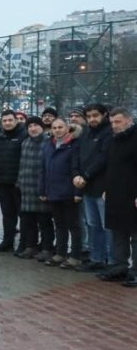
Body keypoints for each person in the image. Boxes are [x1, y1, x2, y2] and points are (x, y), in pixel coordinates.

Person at [72, 103, 112, 272]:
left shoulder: (109, 133)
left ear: (104, 115)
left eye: (95, 115)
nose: (92, 119)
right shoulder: (86, 132)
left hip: (101, 187)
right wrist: (76, 174)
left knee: (106, 226)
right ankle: (97, 258)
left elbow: (103, 158)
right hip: (86, 187)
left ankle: (112, 261)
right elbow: (76, 154)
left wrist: (85, 176)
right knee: (92, 224)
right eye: (88, 116)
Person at [38, 118, 83, 268]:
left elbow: (76, 169)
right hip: (53, 192)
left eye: (60, 127)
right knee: (59, 224)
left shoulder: (74, 145)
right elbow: (43, 170)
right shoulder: (48, 146)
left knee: (74, 225)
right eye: (54, 127)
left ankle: (75, 256)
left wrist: (78, 192)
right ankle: (60, 253)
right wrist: (43, 190)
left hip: (69, 192)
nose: (57, 130)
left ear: (67, 128)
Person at [100, 108, 137, 287]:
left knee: (136, 235)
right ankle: (120, 266)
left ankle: (136, 271)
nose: (114, 126)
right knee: (118, 232)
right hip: (115, 194)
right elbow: (111, 167)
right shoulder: (113, 140)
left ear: (129, 120)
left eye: (118, 122)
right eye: (112, 122)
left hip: (133, 195)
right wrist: (108, 188)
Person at [17, 116, 55, 261]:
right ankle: (30, 246)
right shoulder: (25, 143)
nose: (33, 129)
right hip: (26, 188)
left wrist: (45, 189)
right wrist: (19, 182)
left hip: (41, 189)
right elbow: (22, 164)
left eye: (35, 126)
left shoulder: (48, 143)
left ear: (42, 127)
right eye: (30, 126)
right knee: (28, 221)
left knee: (45, 221)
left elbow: (49, 168)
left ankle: (46, 248)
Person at [0, 109, 27, 252]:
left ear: (16, 120)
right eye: (4, 120)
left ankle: (24, 244)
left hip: (19, 184)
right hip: (3, 183)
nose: (7, 123)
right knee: (7, 214)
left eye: (10, 120)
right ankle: (7, 242)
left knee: (23, 215)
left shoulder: (24, 135)